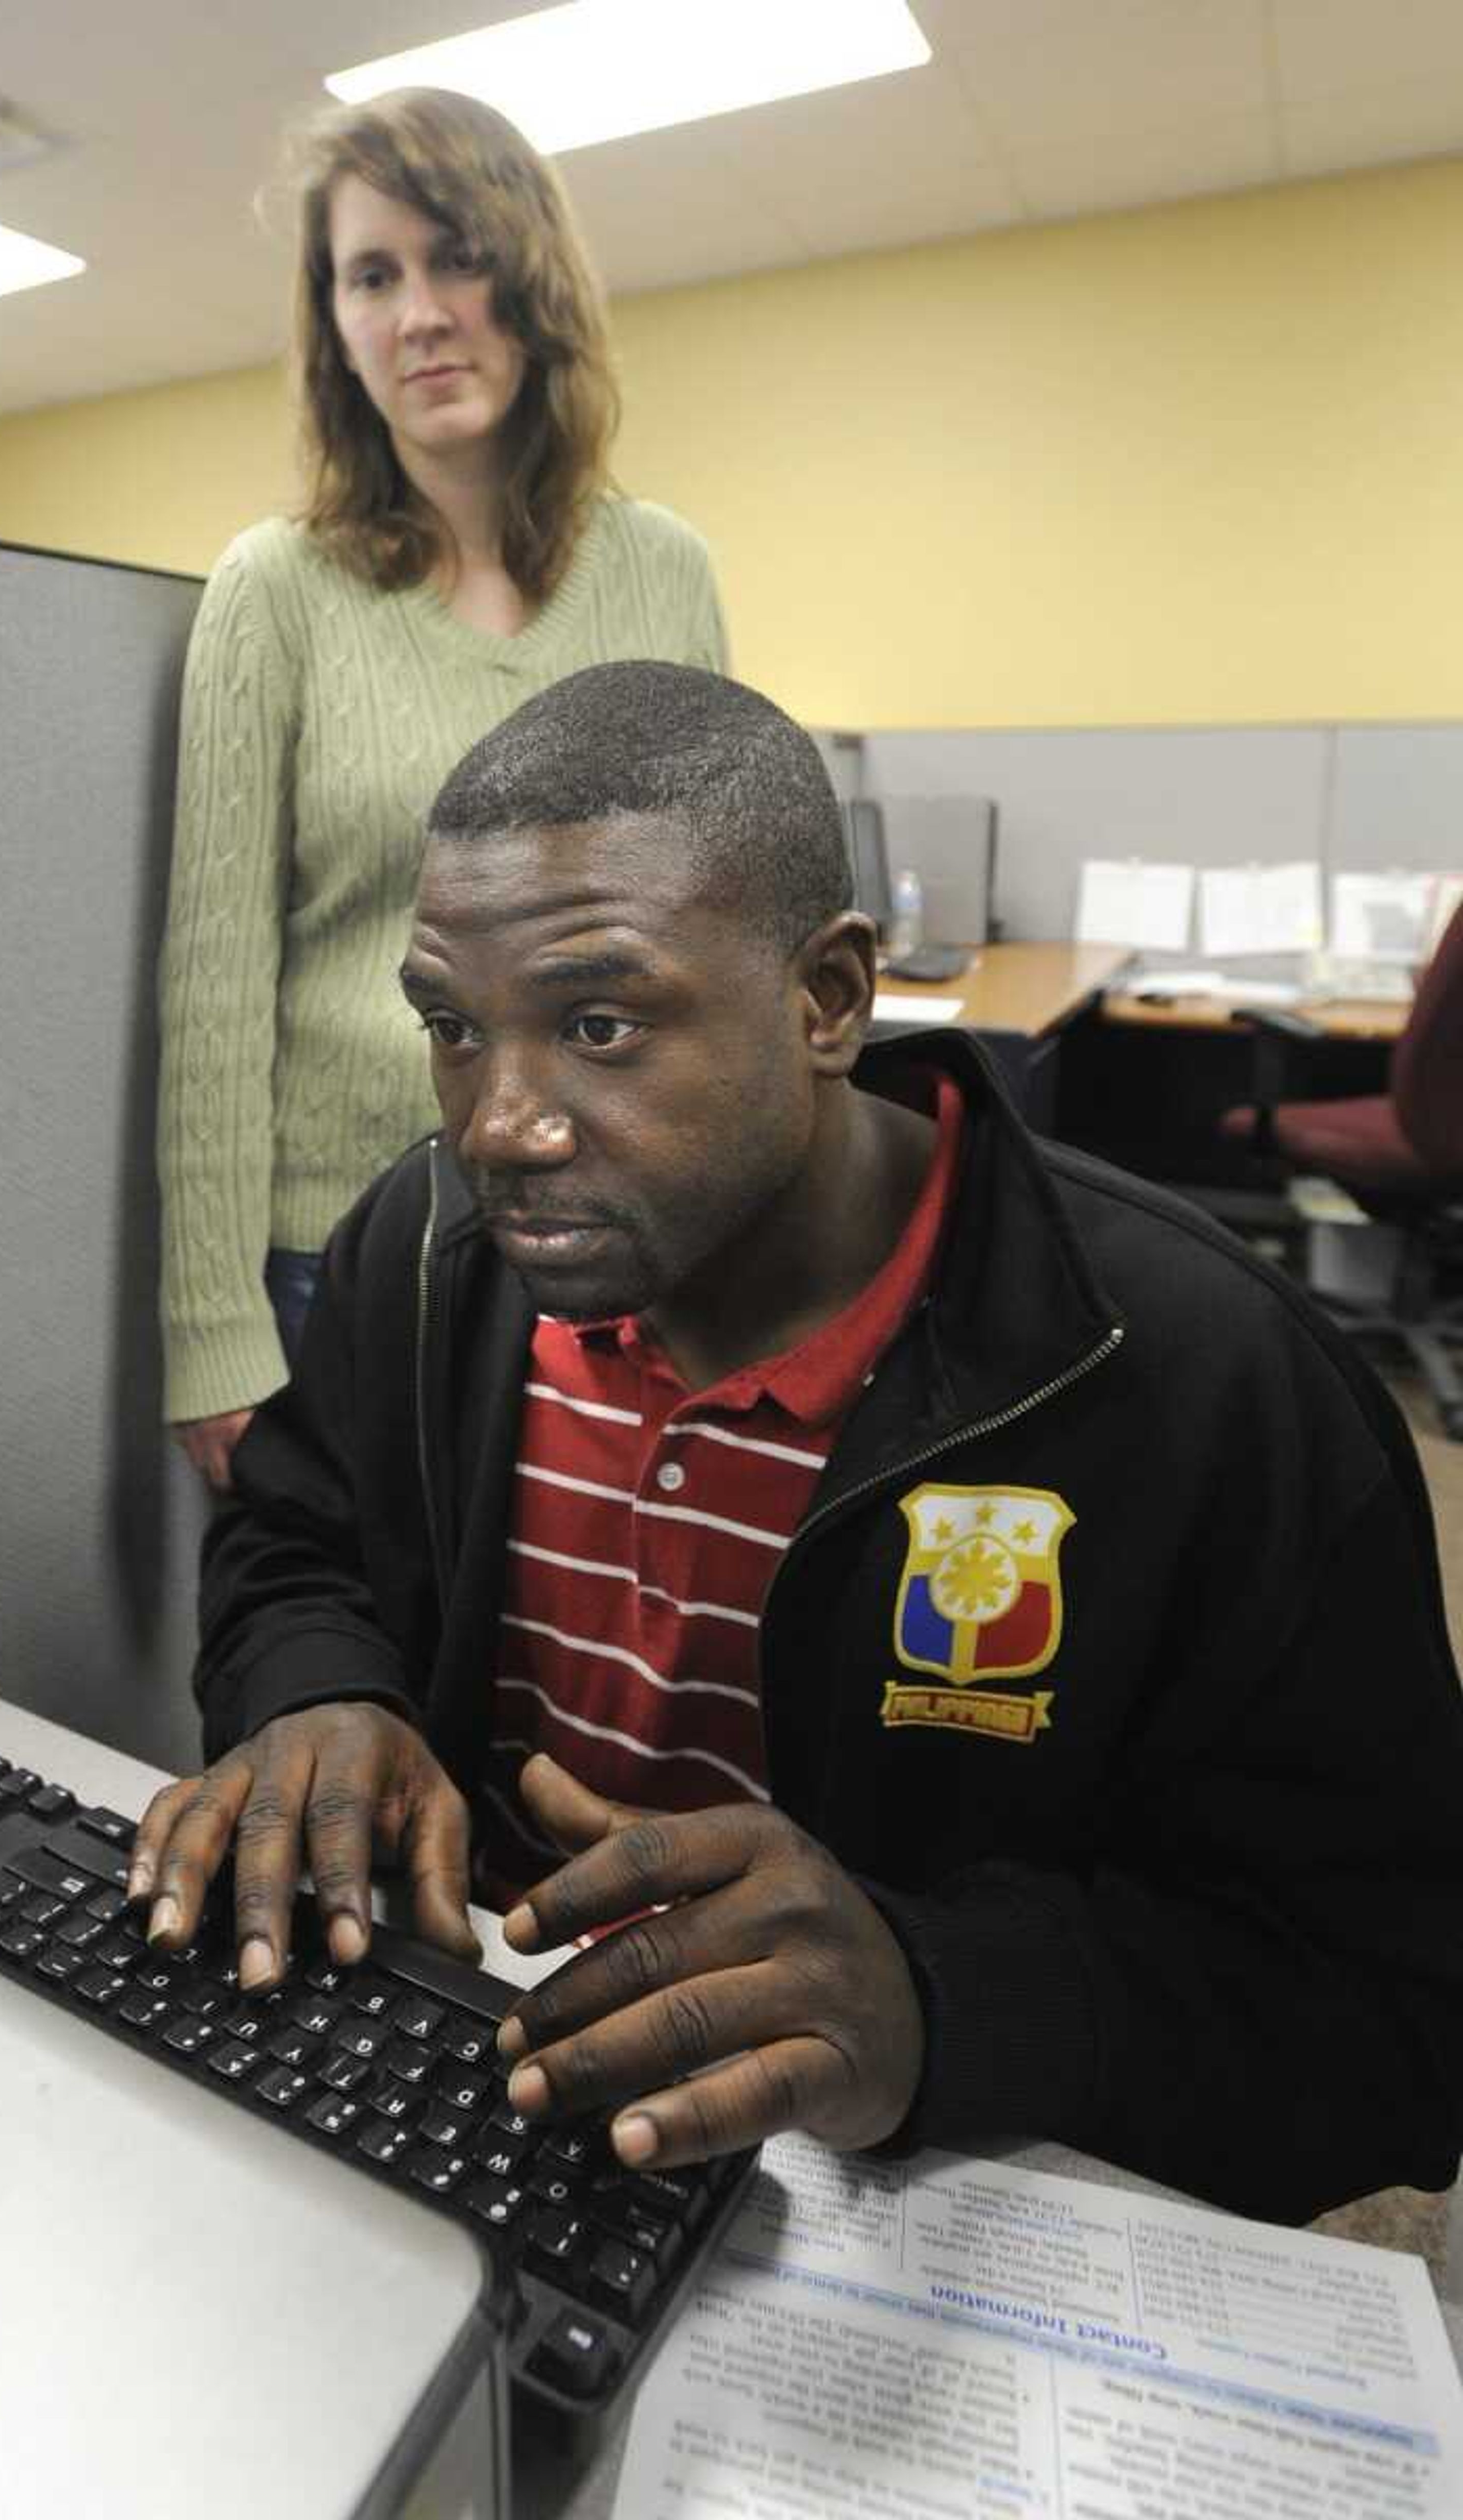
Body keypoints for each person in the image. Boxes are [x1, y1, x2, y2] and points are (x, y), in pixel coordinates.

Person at [130, 661, 1463, 2225]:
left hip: (913, 2185)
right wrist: (322, 1694)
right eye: (452, 1026)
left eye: (600, 1022)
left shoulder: (1205, 1383)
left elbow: (1386, 2026)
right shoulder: (423, 1253)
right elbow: (298, 1538)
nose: (499, 1122)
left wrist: (936, 1998)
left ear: (828, 998)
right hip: (479, 2087)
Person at [157, 88, 727, 1493]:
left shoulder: (665, 573)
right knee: (353, 1690)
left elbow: (724, 940)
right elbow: (215, 988)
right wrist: (211, 1333)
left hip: (623, 1237)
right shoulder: (272, 593)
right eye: (372, 274)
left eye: (457, 255)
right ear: (336, 326)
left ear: (531, 277)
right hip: (342, 1258)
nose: (421, 312)